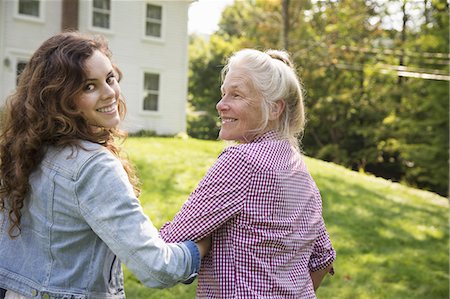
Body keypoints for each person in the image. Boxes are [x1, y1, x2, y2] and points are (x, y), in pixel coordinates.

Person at [0, 31, 209, 299]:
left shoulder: (23, 149)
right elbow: (156, 267)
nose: (110, 93)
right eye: (89, 86)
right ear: (58, 98)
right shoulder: (92, 167)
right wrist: (200, 246)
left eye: (110, 79)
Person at [159, 48, 336, 298]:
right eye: (223, 94)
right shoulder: (299, 170)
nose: (221, 105)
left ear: (275, 109)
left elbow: (170, 241)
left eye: (236, 95)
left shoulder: (241, 161)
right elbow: (323, 259)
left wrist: (203, 244)